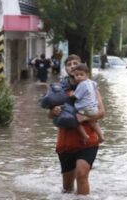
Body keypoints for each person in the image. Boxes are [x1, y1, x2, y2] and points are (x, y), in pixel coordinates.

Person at [48, 54, 105, 195]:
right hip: (65, 142)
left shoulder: (91, 87)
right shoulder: (59, 89)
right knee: (67, 187)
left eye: (75, 63)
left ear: (83, 68)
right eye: (69, 64)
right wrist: (53, 111)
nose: (72, 66)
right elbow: (49, 115)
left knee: (81, 174)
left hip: (88, 141)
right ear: (65, 69)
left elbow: (102, 112)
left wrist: (84, 118)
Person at [69, 63, 105, 144]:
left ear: (86, 75)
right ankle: (101, 136)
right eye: (76, 75)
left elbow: (76, 97)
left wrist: (71, 94)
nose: (78, 77)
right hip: (93, 108)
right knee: (93, 121)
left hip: (85, 108)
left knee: (75, 119)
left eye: (81, 75)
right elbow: (95, 85)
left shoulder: (82, 84)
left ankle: (85, 135)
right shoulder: (91, 82)